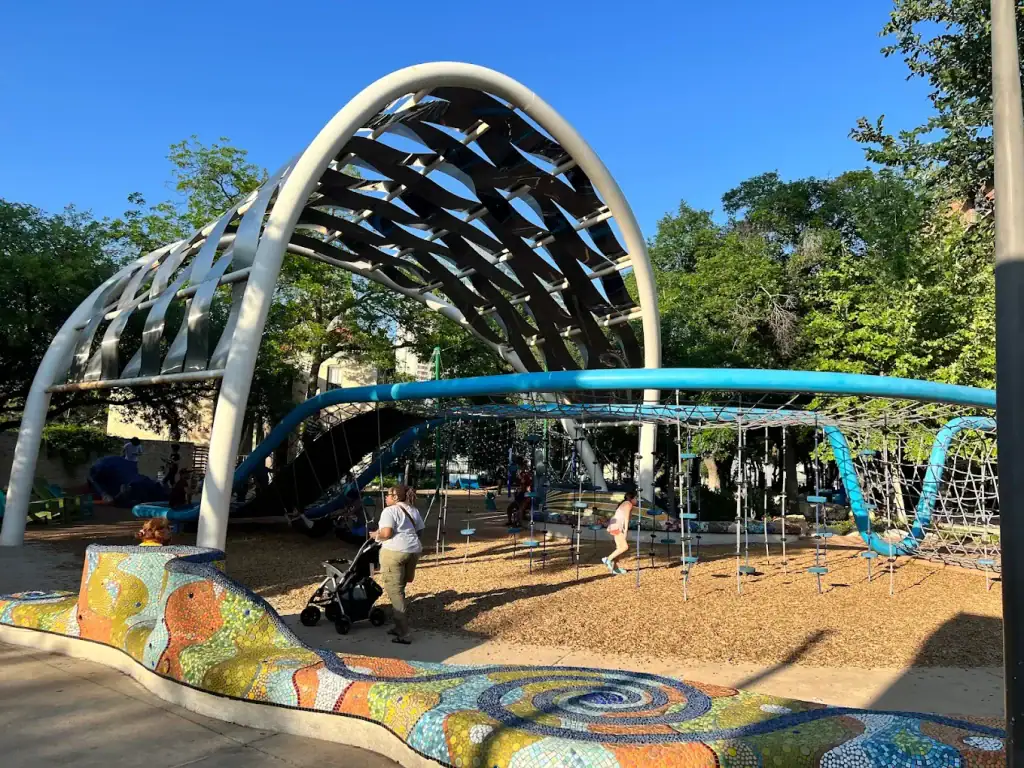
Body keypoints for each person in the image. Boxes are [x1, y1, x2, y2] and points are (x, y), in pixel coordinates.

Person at [372, 484, 424, 644]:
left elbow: (386, 533)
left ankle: (404, 632)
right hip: (413, 550)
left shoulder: (389, 511)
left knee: (395, 592)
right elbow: (420, 530)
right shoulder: (412, 509)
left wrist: (375, 535)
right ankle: (397, 626)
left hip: (394, 552)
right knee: (401, 586)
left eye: (387, 495)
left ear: (395, 497)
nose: (385, 497)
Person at [602, 490, 638, 575]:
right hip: (617, 526)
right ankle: (608, 559)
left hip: (615, 525)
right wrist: (625, 531)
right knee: (624, 547)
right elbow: (626, 518)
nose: (637, 500)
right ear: (631, 498)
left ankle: (615, 568)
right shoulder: (628, 504)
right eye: (636, 498)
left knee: (619, 548)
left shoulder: (626, 504)